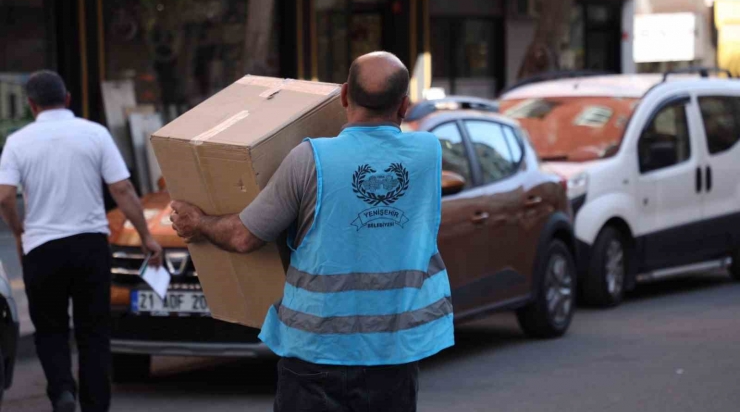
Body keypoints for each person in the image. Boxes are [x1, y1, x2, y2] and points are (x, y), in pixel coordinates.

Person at [171, 52, 454, 412]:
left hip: (317, 355)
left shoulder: (311, 159)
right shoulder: (428, 153)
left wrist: (198, 223)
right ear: (405, 105)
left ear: (344, 96)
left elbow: (244, 236)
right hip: (394, 355)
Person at [0, 71, 162, 412]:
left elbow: (4, 197)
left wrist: (19, 231)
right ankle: (95, 404)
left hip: (42, 249)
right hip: (90, 246)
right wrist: (146, 236)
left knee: (50, 328)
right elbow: (122, 189)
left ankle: (61, 392)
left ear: (31, 105)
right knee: (93, 332)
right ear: (68, 98)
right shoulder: (95, 134)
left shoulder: (17, 142)